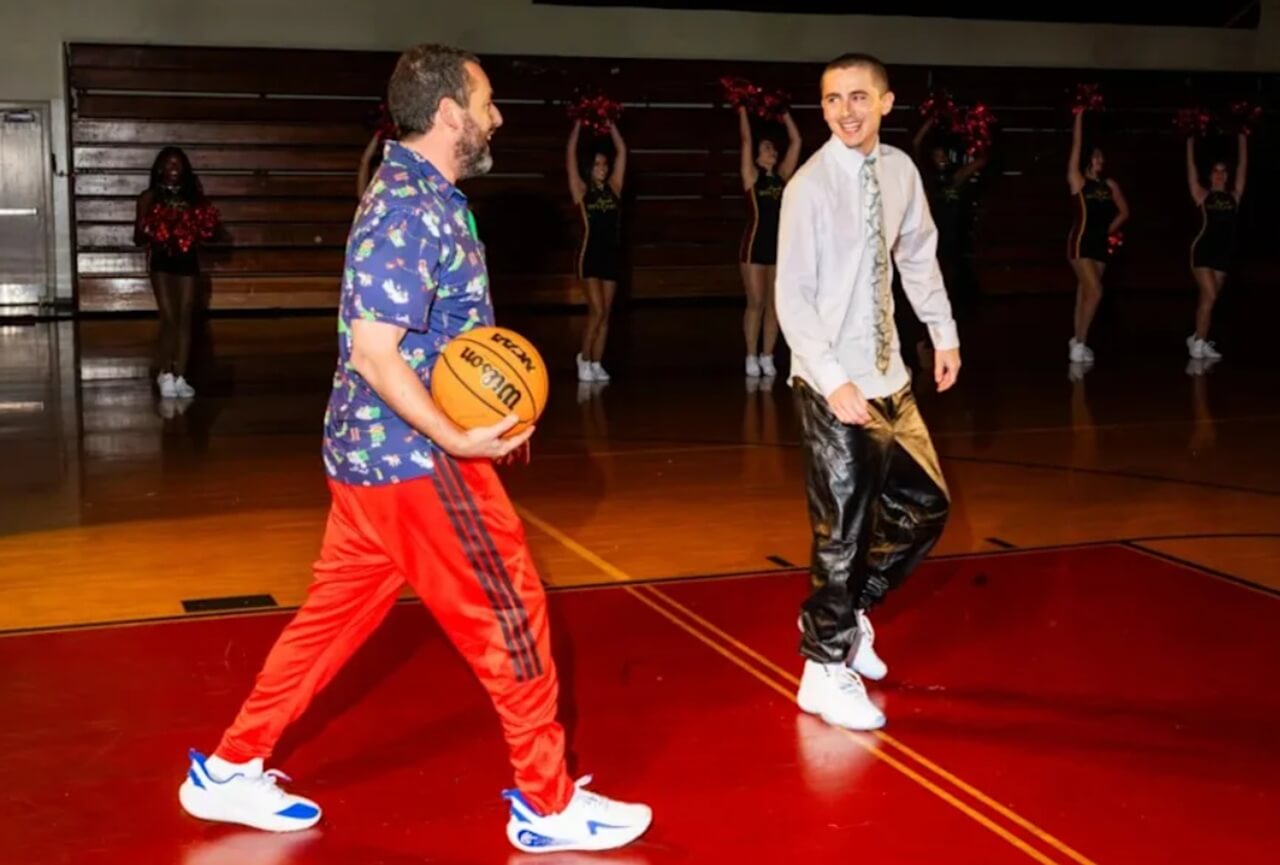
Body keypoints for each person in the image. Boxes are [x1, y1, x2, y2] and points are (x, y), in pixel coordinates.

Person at [175, 44, 652, 855]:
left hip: (372, 459)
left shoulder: (424, 194)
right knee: (514, 617)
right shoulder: (408, 206)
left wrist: (480, 410)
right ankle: (547, 802)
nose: (498, 116)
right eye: (489, 101)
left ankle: (229, 766)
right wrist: (458, 435)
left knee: (327, 625)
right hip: (415, 462)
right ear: (450, 113)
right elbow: (374, 349)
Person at [775, 53, 960, 731]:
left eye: (858, 97)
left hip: (891, 378)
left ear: (886, 102)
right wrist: (833, 380)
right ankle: (822, 668)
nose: (845, 110)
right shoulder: (809, 188)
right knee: (841, 533)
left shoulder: (901, 171)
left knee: (926, 506)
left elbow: (916, 254)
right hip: (834, 381)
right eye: (831, 100)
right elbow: (791, 297)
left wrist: (942, 332)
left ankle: (847, 615)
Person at [133, 146, 207, 399]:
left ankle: (181, 376)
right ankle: (164, 372)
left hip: (187, 260)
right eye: (169, 164)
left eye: (178, 164)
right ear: (160, 169)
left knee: (186, 316)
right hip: (161, 261)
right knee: (169, 317)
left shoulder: (194, 196)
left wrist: (198, 227)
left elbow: (208, 231)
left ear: (184, 169)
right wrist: (154, 227)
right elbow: (137, 238)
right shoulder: (149, 197)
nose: (174, 168)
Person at [738, 105, 801, 378]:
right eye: (766, 148)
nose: (771, 151)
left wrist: (783, 112)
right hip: (754, 246)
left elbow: (797, 141)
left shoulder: (784, 177)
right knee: (756, 302)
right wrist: (742, 108)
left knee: (776, 305)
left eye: (773, 148)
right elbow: (745, 140)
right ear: (756, 155)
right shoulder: (752, 177)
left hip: (779, 249)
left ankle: (768, 355)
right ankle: (751, 356)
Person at [1065, 109, 1129, 363]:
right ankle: (1079, 342)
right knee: (1096, 291)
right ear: (1088, 159)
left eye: (1102, 157)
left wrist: (1107, 230)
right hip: (1079, 242)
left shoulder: (1109, 185)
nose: (1102, 160)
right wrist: (1079, 116)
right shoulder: (1078, 182)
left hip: (1100, 244)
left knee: (1085, 293)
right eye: (1098, 157)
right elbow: (1077, 144)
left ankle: (1077, 341)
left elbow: (1124, 212)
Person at [567, 119, 627, 382]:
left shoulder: (614, 187)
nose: (602, 168)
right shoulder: (581, 190)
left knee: (607, 316)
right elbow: (569, 154)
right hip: (589, 256)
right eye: (598, 164)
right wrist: (579, 124)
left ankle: (597, 363)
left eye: (605, 164)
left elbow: (623, 151)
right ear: (589, 167)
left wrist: (611, 123)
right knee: (597, 311)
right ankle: (585, 357)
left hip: (611, 256)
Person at [1185, 131, 1247, 360]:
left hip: (1224, 254)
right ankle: (1198, 343)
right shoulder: (1202, 195)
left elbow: (1243, 165)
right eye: (1216, 171)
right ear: (1210, 176)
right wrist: (1189, 140)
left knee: (1207, 300)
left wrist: (1241, 135)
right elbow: (1190, 170)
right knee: (1210, 296)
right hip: (1202, 251)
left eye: (1223, 171)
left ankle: (1197, 338)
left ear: (1227, 176)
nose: (1220, 175)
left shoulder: (1235, 196)